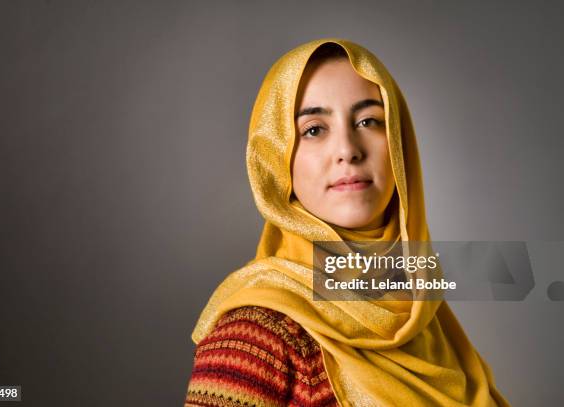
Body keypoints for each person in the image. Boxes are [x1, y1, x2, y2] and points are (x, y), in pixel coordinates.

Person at [183, 38, 510, 407]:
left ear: (400, 144)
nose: (348, 150)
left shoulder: (423, 316)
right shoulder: (255, 341)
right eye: (313, 129)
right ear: (276, 159)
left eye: (369, 121)